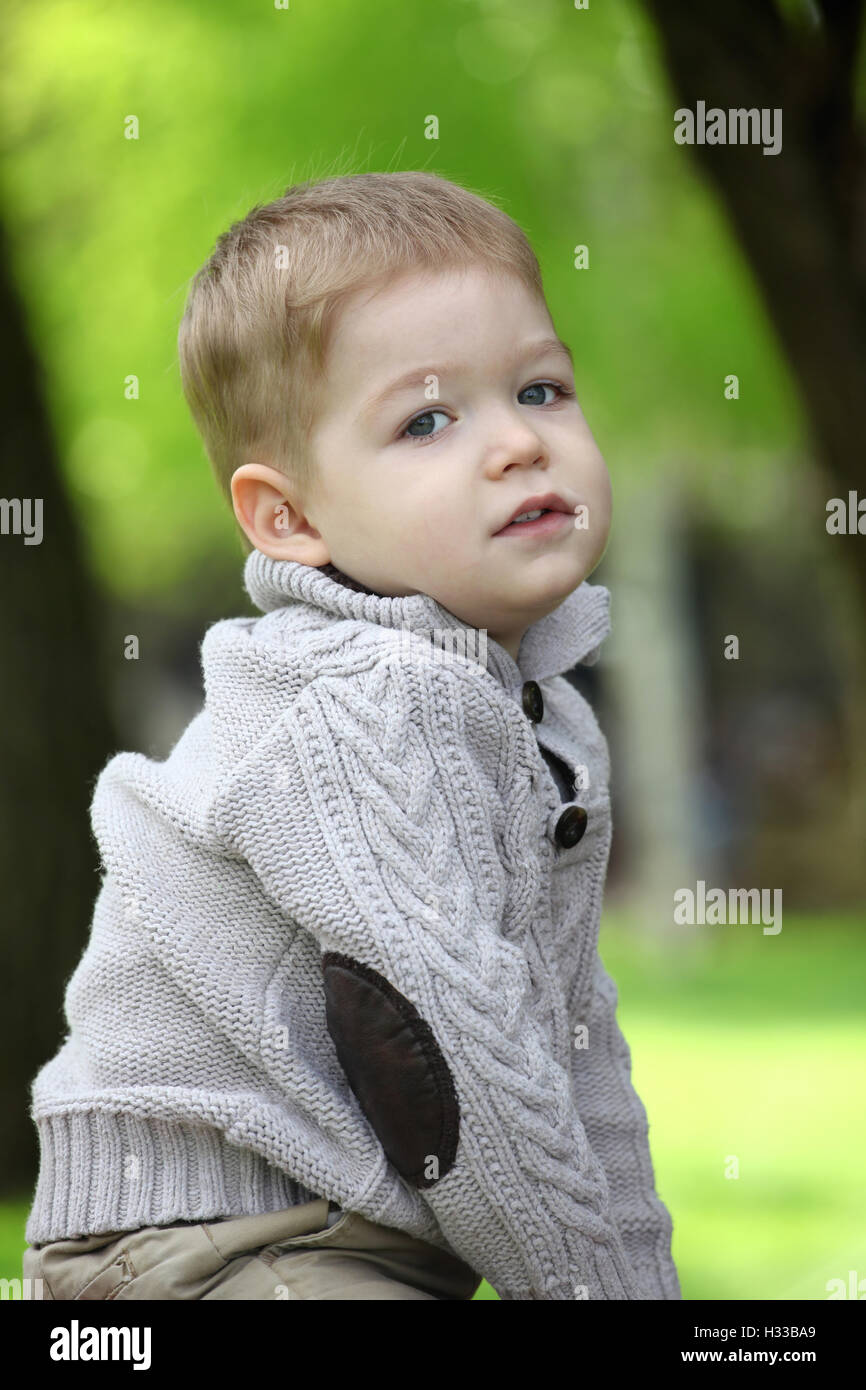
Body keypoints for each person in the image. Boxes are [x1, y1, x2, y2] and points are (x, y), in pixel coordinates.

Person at [21, 170, 681, 1301]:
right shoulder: (368, 703)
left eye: (540, 388)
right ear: (291, 518)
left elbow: (572, 1063)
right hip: (203, 1240)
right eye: (427, 420)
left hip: (345, 1228)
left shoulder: (538, 706)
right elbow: (460, 1073)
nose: (517, 444)